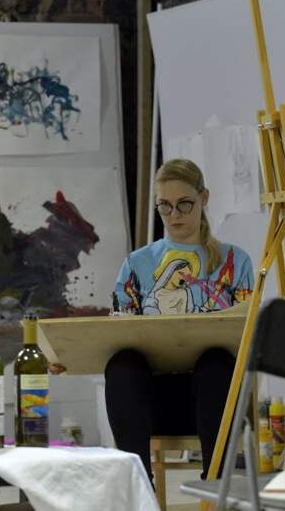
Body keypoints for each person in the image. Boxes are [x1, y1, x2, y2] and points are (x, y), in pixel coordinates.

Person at [106, 158, 253, 482]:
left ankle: (215, 486)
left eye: (184, 204)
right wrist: (69, 356)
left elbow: (246, 338)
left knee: (218, 361)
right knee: (122, 364)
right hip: (151, 403)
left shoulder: (235, 261)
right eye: (165, 206)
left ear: (204, 198)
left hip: (215, 401)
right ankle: (138, 486)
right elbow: (115, 333)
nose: (174, 215)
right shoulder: (136, 264)